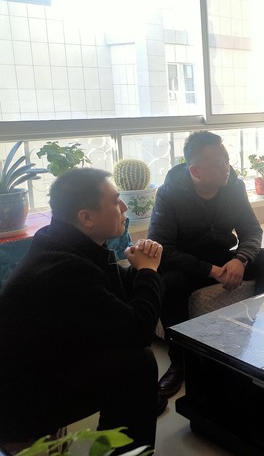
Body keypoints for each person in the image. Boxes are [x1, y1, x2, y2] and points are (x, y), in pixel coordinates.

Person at [0, 168, 164, 451]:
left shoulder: (58, 239)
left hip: (49, 360)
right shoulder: (64, 269)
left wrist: (141, 268)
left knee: (135, 373)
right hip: (20, 403)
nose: (124, 207)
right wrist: (148, 272)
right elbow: (139, 331)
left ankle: (133, 411)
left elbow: (109, 293)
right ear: (86, 218)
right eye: (115, 201)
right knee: (138, 364)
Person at [148, 131, 264, 399]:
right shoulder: (169, 193)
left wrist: (240, 259)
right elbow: (163, 248)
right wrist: (209, 270)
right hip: (187, 266)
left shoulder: (233, 186)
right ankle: (180, 361)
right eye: (219, 164)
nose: (227, 168)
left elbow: (252, 231)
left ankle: (260, 334)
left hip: (223, 258)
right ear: (195, 170)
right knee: (169, 282)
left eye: (227, 160)